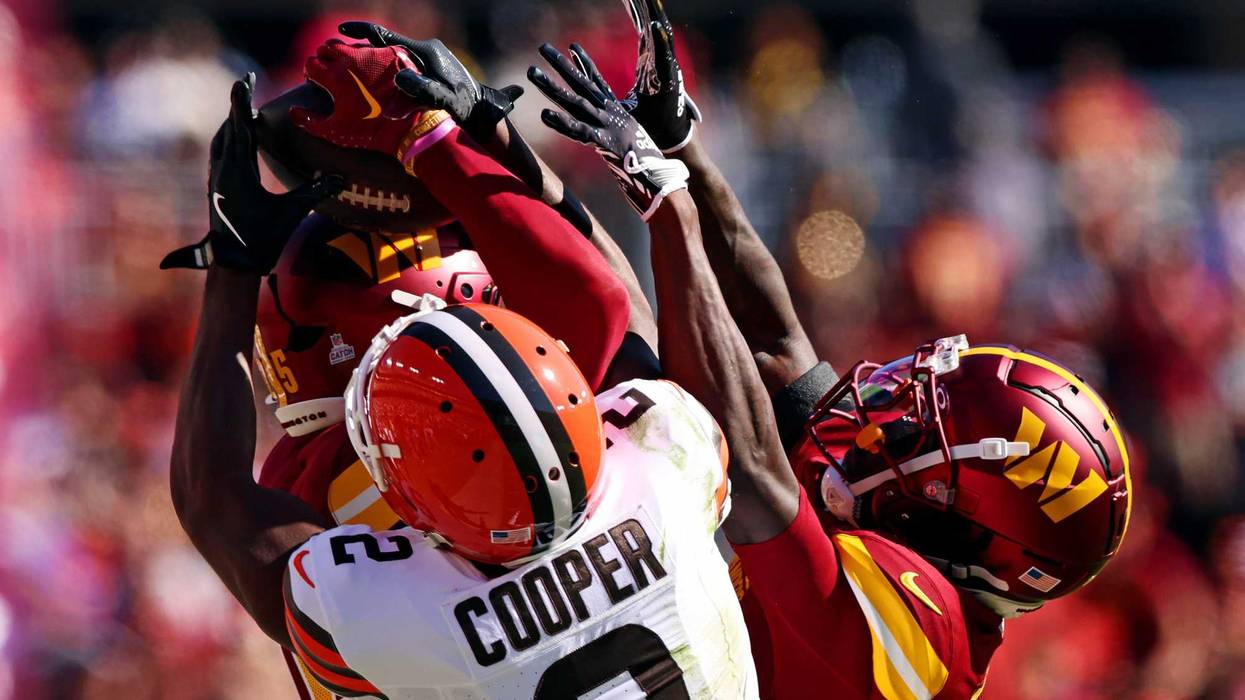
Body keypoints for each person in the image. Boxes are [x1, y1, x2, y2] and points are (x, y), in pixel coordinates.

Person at [529, 6, 1133, 697]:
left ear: (966, 523)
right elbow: (776, 344)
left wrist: (669, 208)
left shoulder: (925, 644)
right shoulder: (917, 533)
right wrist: (681, 148)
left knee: (650, 407)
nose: (891, 405)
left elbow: (749, 468)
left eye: (917, 429)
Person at [169, 69, 756, 697]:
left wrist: (232, 267)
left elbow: (213, 499)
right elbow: (614, 313)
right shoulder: (661, 456)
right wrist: (471, 146)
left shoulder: (375, 596)